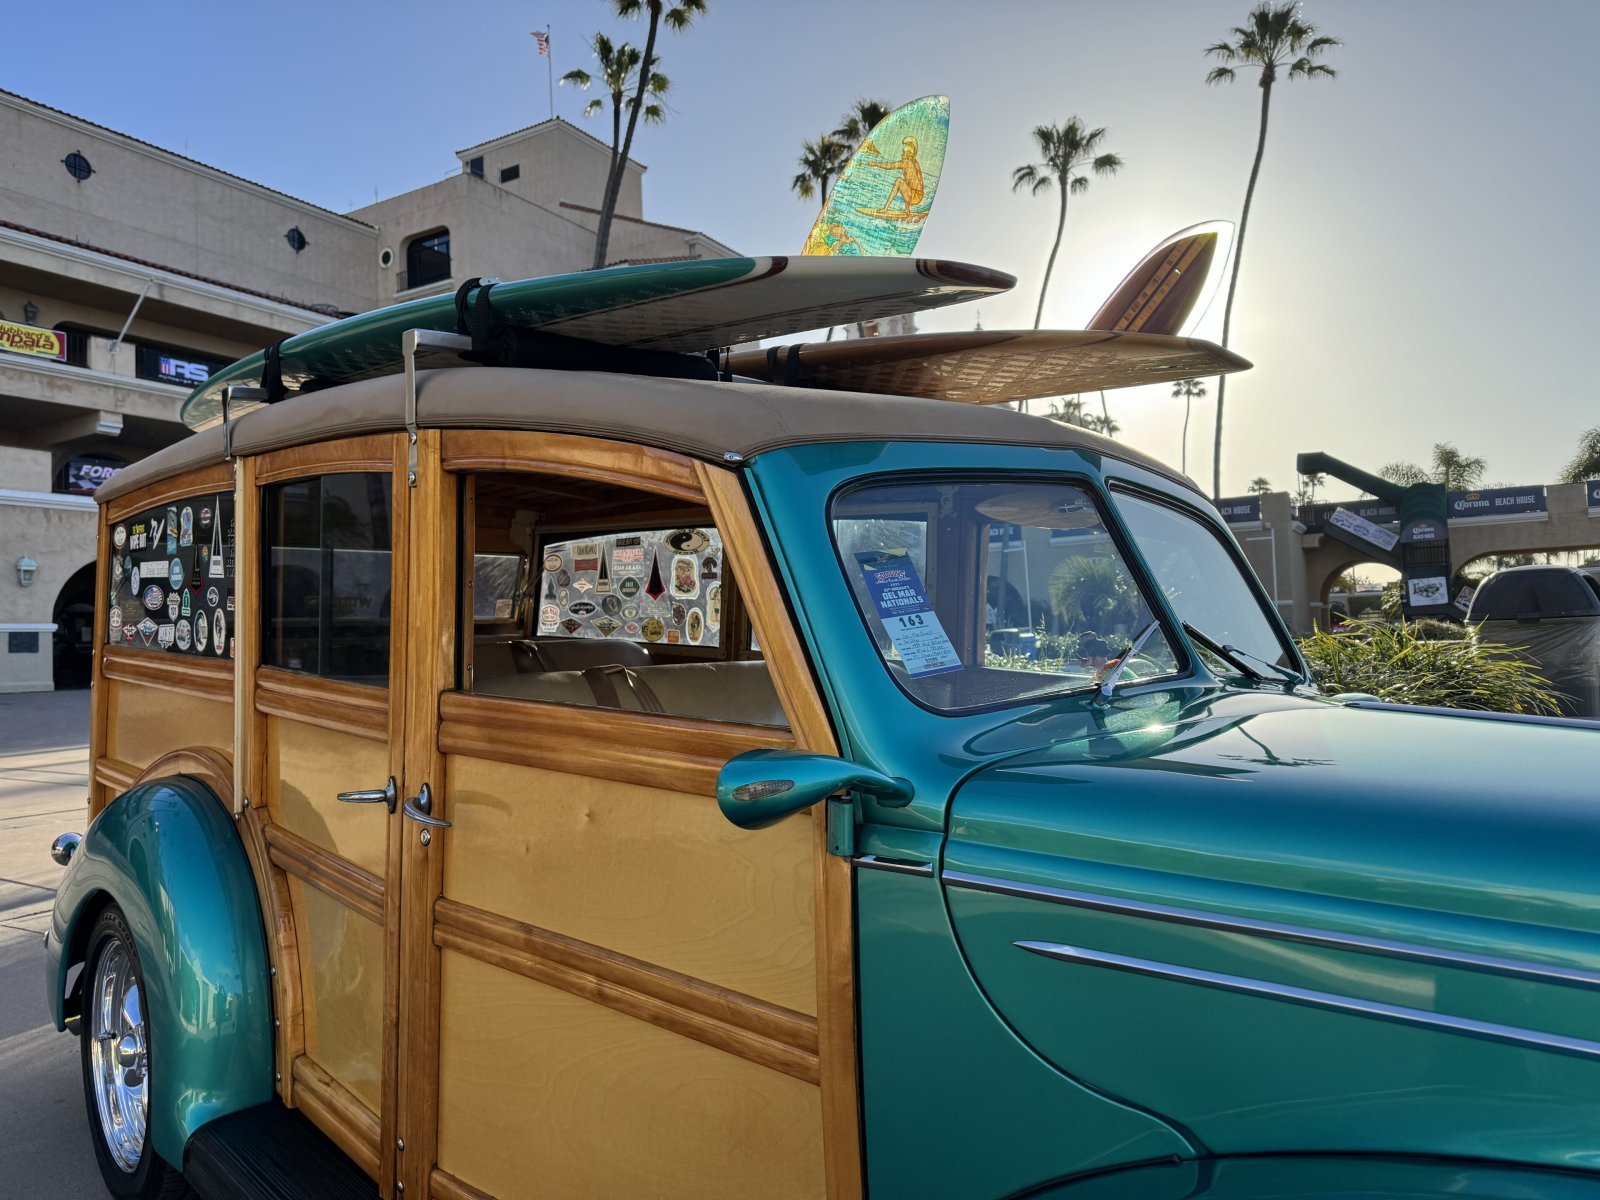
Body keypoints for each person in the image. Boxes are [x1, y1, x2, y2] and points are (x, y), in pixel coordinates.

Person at [864, 136, 925, 217]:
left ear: (908, 154)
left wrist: (875, 164)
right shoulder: (914, 161)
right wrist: (911, 142)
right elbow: (915, 149)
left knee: (899, 181)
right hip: (918, 195)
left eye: (904, 152)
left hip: (915, 196)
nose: (902, 154)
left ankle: (885, 208)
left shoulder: (905, 163)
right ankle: (907, 209)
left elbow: (890, 165)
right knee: (906, 182)